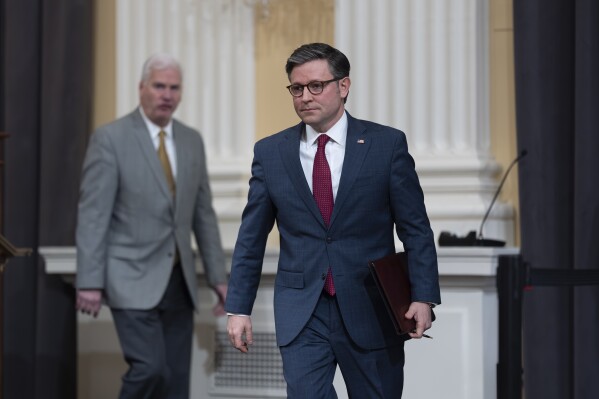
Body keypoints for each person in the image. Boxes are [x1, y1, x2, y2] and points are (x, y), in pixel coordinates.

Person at [225, 42, 440, 398]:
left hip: (371, 305)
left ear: (343, 86)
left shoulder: (385, 145)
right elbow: (251, 237)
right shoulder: (270, 152)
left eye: (316, 86)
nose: (305, 96)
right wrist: (238, 308)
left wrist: (424, 295)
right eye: (297, 88)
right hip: (302, 310)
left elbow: (416, 229)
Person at [75, 53, 228, 399]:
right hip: (127, 275)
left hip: (178, 279)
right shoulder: (110, 139)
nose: (167, 95)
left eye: (174, 88)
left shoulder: (192, 140)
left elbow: (203, 213)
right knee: (150, 368)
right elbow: (93, 215)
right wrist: (88, 280)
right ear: (142, 88)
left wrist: (219, 278)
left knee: (175, 381)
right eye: (159, 86)